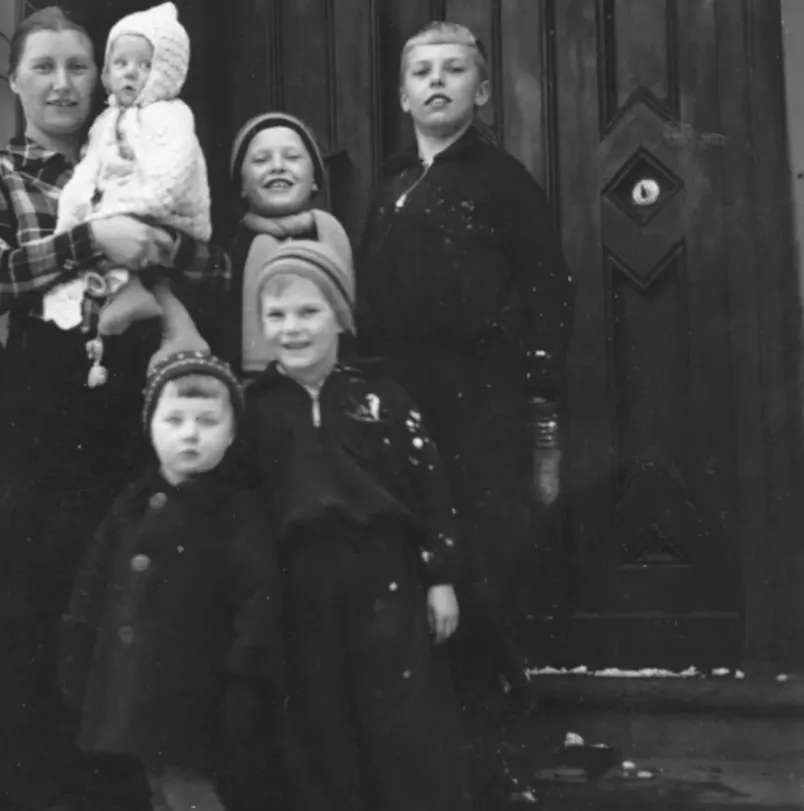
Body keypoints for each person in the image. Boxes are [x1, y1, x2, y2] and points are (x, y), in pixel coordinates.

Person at [0, 8, 227, 810]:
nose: (65, 82)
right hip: (43, 412)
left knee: (134, 619)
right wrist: (95, 238)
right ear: (16, 82)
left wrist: (156, 247)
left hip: (135, 406)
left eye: (78, 65)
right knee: (37, 618)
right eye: (45, 67)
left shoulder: (146, 146)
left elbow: (218, 259)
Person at [354, 21, 576, 806]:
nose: (437, 81)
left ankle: (494, 759)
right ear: (404, 90)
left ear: (481, 91)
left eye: (455, 70)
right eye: (423, 70)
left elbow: (548, 294)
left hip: (481, 408)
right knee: (412, 574)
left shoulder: (504, 181)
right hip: (402, 405)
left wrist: (533, 395)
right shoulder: (389, 185)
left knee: (480, 577)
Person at [243, 240, 471, 811]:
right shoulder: (256, 407)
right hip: (300, 581)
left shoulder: (382, 398)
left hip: (384, 576)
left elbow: (429, 487)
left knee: (401, 714)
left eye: (308, 312)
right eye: (276, 315)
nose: (291, 329)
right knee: (318, 714)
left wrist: (439, 577)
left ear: (340, 317)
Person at [58, 351, 278, 811]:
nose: (190, 434)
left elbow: (257, 605)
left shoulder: (237, 513)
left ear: (233, 432)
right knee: (157, 787)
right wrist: (77, 651)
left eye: (207, 421)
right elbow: (92, 582)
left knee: (189, 790)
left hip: (195, 695)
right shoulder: (132, 502)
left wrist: (243, 686)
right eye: (174, 419)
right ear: (150, 425)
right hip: (132, 686)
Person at [46, 2, 213, 385]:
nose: (130, 73)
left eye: (144, 65)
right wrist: (71, 219)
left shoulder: (170, 114)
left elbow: (174, 167)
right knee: (104, 242)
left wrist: (128, 205)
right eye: (121, 63)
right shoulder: (107, 120)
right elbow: (89, 171)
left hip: (165, 206)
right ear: (107, 72)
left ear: (164, 74)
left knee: (122, 239)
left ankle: (138, 296)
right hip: (128, 207)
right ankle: (141, 300)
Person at [208, 112, 352, 375]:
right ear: (241, 184)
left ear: (315, 179)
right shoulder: (230, 251)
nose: (277, 166)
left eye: (292, 157)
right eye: (261, 160)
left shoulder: (334, 240)